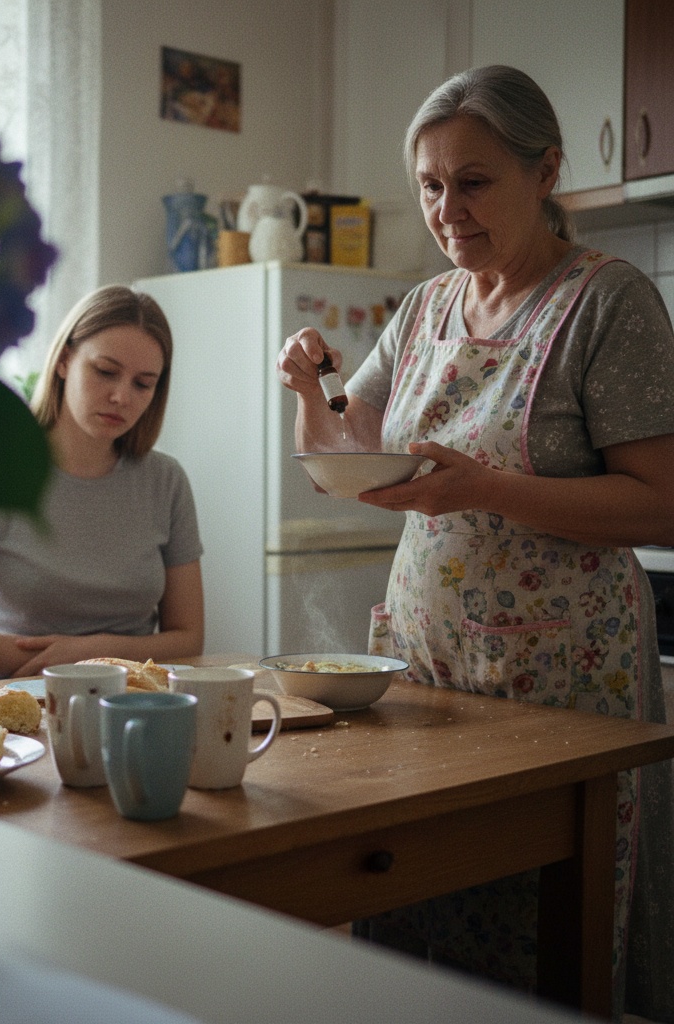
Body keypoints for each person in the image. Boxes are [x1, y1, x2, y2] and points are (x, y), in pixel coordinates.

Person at [277, 65, 674, 1022]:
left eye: (474, 181)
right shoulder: (424, 309)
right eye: (429, 185)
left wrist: (484, 489)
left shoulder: (607, 301)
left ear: (547, 172)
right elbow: (347, 457)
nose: (447, 210)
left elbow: (664, 505)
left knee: (540, 926)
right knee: (417, 895)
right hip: (431, 668)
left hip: (563, 683)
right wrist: (306, 391)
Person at [0, 284, 205, 679]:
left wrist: (94, 654)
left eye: (142, 383)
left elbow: (188, 639)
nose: (121, 396)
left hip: (131, 701)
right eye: (105, 371)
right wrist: (62, 665)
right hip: (12, 702)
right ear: (63, 360)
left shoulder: (167, 481)